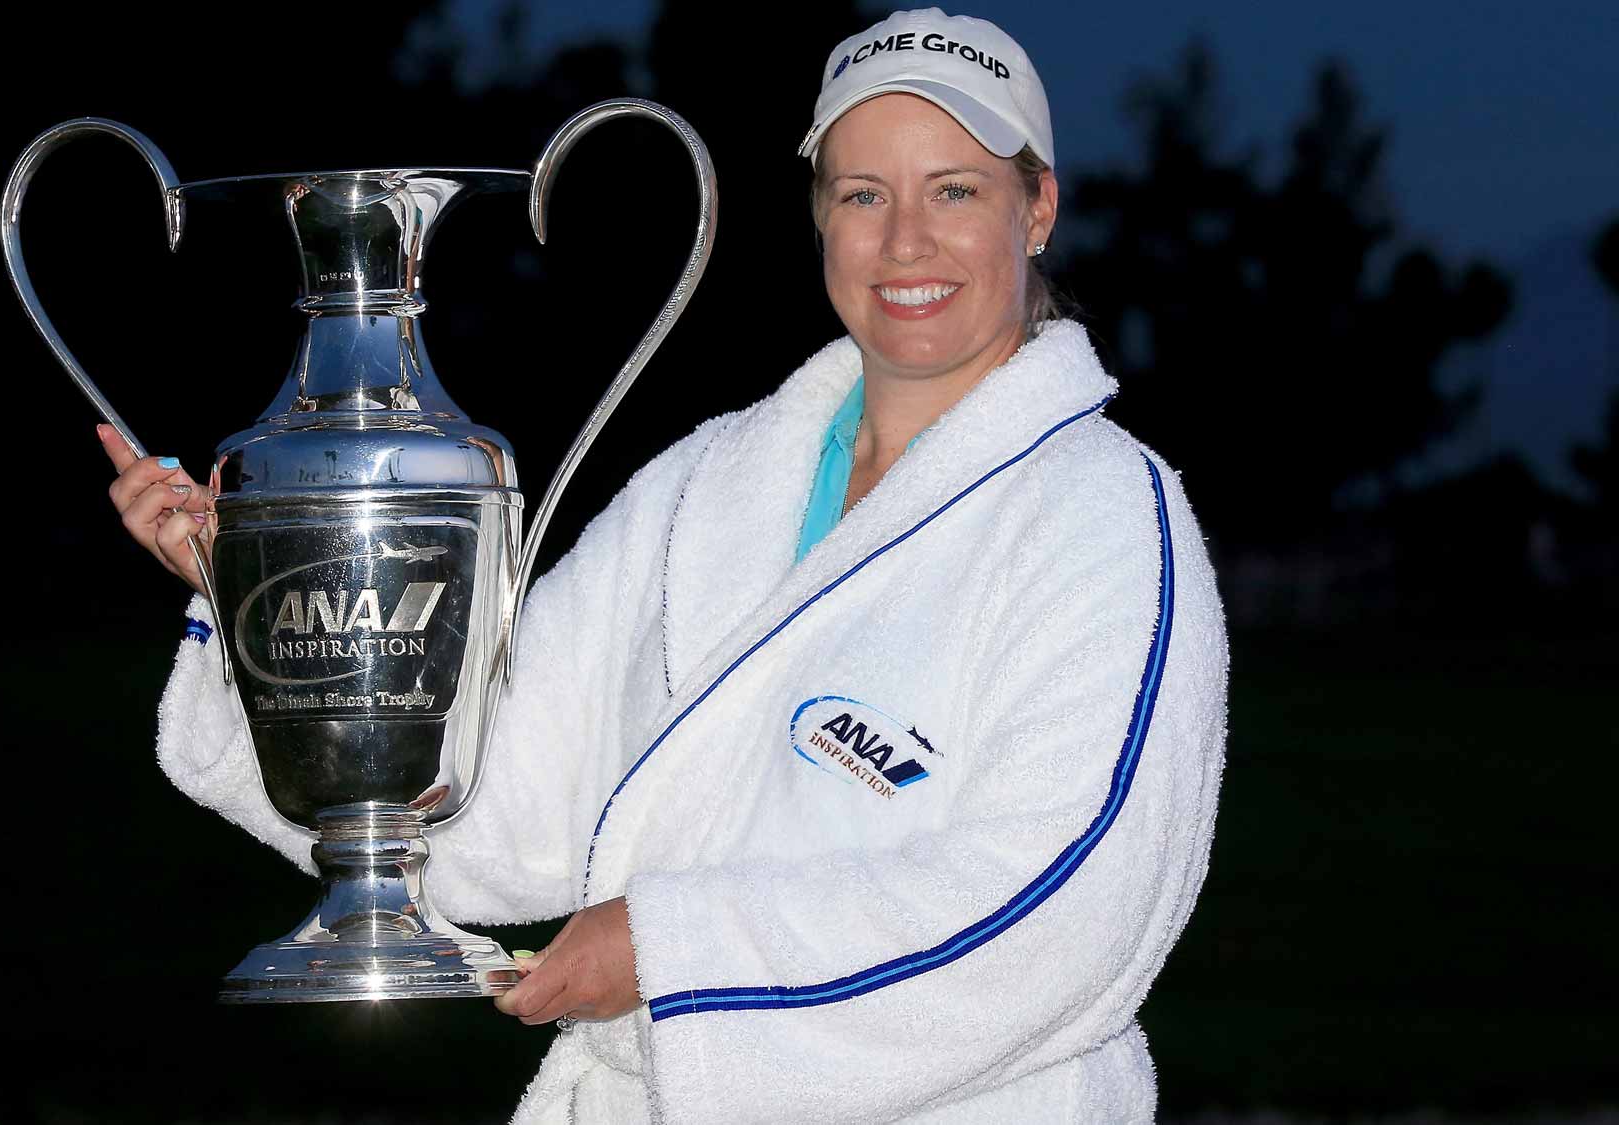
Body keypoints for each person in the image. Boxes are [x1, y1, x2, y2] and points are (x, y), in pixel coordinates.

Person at [99, 9, 1227, 1122]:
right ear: (819, 217)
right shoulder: (707, 487)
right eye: (861, 195)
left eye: (955, 191)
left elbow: (1068, 908)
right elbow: (493, 804)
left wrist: (672, 954)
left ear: (1037, 211)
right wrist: (278, 600)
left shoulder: (1103, 514)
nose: (903, 244)